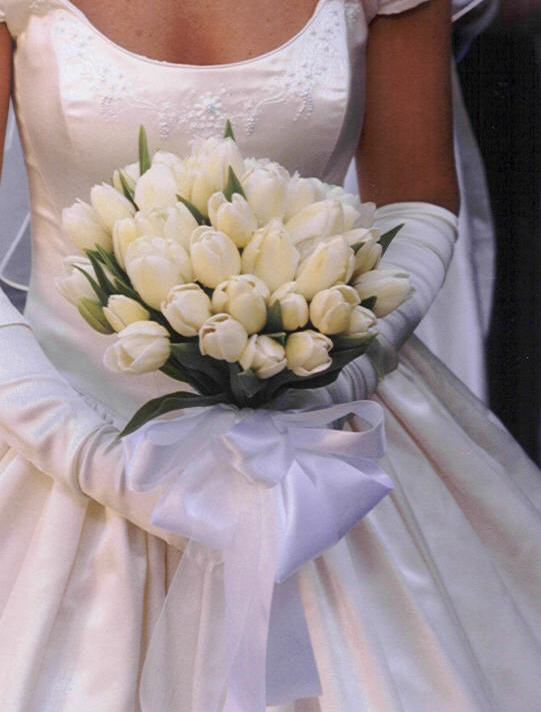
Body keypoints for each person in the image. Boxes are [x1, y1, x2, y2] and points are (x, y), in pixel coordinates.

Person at [0, 1, 539, 710]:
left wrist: (332, 371)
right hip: (56, 426)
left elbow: (415, 197)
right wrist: (84, 449)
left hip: (320, 432)